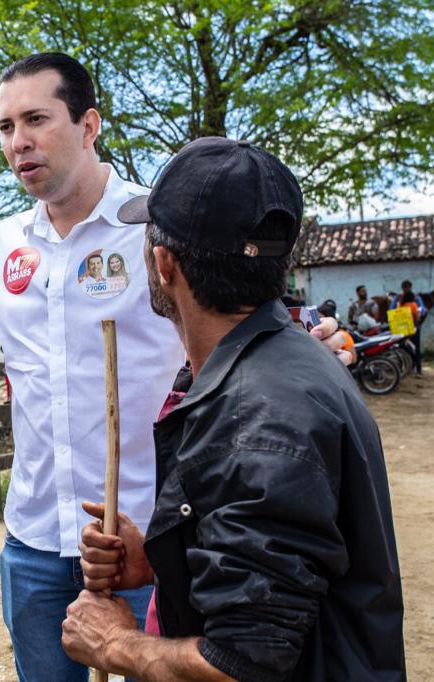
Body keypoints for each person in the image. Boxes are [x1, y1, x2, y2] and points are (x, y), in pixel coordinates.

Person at [0, 53, 349, 681]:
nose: (18, 142)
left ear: (88, 125)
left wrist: (306, 340)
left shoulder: (155, 225)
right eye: (4, 126)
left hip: (148, 540)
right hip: (34, 540)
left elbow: (236, 321)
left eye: (36, 119)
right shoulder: (3, 248)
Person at [63, 137, 404, 681]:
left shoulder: (256, 418)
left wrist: (114, 644)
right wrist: (164, 560)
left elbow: (245, 662)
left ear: (164, 264)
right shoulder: (277, 361)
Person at [391, 281, 426, 374]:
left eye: (408, 287)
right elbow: (391, 310)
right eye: (405, 287)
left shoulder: (415, 298)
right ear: (402, 288)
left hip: (406, 328)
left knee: (409, 347)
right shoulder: (399, 299)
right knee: (405, 347)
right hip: (409, 328)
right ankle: (410, 367)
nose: (406, 289)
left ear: (410, 287)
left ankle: (417, 369)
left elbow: (423, 310)